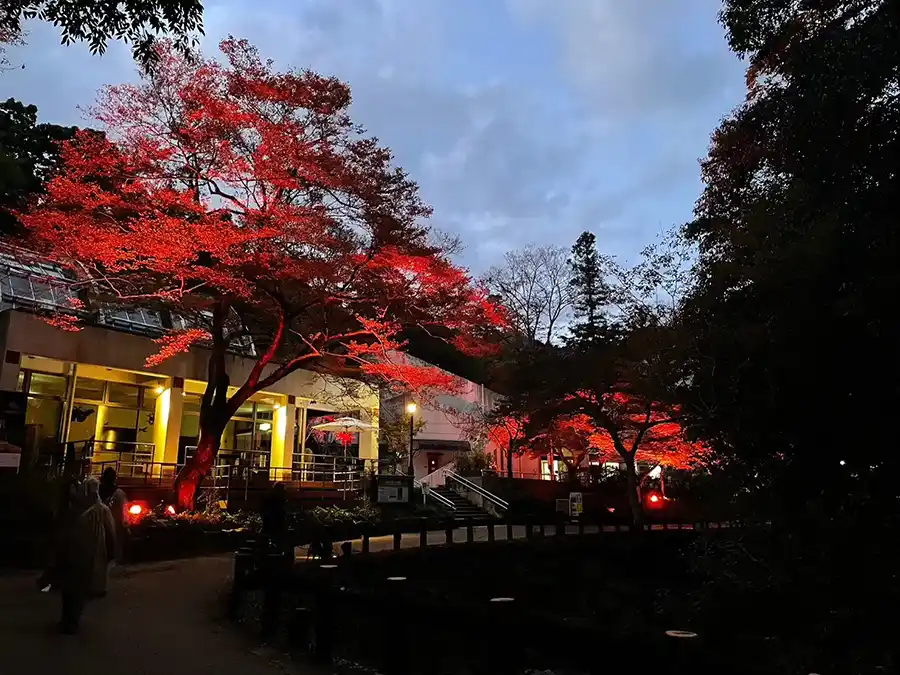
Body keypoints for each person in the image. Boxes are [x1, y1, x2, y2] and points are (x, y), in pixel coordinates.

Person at [56, 477, 117, 634]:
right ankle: (70, 620)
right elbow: (110, 533)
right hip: (85, 555)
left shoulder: (84, 509)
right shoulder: (98, 510)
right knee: (75, 588)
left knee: (73, 589)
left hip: (79, 554)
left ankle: (69, 620)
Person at [99, 467, 128, 564]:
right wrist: (126, 526)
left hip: (99, 525)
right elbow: (124, 514)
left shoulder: (97, 491)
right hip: (115, 526)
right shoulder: (119, 493)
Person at [261, 482, 288, 549]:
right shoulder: (279, 497)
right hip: (276, 519)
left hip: (269, 519)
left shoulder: (269, 496)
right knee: (278, 535)